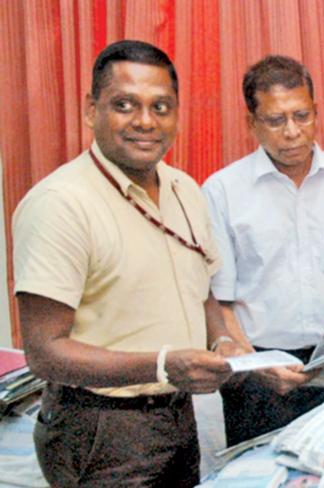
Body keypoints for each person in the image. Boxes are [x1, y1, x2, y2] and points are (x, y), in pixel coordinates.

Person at [12, 40, 242, 486]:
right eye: (124, 105)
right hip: (98, 427)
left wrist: (224, 344)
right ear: (90, 109)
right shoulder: (60, 204)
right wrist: (162, 365)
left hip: (178, 415)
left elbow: (203, 292)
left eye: (161, 106)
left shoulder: (185, 190)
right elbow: (44, 352)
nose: (145, 121)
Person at [203, 55, 324, 446]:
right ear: (252, 123)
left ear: (316, 112)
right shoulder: (222, 191)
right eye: (276, 121)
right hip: (259, 371)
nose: (292, 132)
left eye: (302, 116)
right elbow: (220, 302)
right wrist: (254, 365)